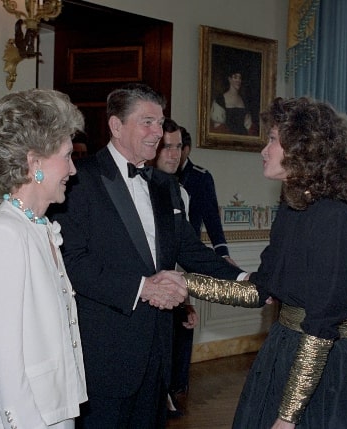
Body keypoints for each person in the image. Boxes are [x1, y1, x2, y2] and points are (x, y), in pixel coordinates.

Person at [180, 97, 347, 428]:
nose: (264, 149)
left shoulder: (334, 218)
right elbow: (259, 290)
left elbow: (320, 328)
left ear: (302, 147)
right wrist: (184, 283)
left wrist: (287, 417)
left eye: (272, 139)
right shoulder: (290, 211)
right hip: (284, 351)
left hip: (328, 365)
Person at [50, 83, 246, 428]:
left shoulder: (165, 184)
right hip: (105, 355)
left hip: (157, 353)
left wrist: (246, 280)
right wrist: (142, 288)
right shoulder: (79, 179)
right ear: (115, 126)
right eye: (148, 122)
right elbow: (72, 262)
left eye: (160, 122)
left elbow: (189, 249)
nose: (158, 132)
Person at [0, 89, 87, 429]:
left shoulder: (39, 228)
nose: (73, 169)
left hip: (54, 408)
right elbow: (4, 359)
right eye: (66, 156)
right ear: (34, 163)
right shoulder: (5, 235)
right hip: (27, 418)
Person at [151, 118, 199, 418]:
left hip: (175, 293)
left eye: (178, 147)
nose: (173, 154)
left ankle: (168, 398)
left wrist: (186, 301)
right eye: (166, 147)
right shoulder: (139, 187)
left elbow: (185, 252)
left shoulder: (181, 193)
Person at [177, 126, 236, 265]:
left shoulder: (200, 177)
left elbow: (212, 218)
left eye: (177, 147)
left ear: (186, 149)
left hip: (189, 253)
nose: (172, 154)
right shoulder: (155, 174)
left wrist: (223, 254)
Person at [210, 70, 254, 135]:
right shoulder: (220, 100)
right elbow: (218, 128)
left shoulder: (244, 101)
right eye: (235, 77)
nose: (238, 80)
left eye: (240, 78)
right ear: (229, 79)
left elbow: (248, 126)